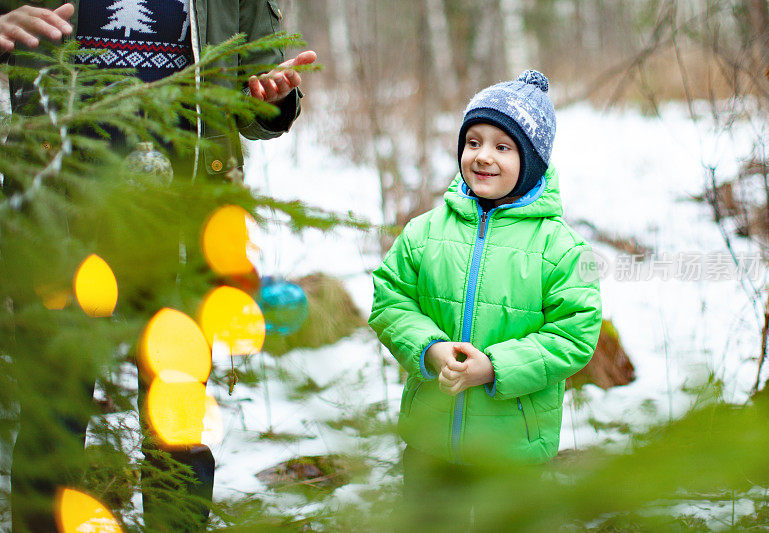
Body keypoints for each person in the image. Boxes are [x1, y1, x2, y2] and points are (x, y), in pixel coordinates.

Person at [0, 1, 315, 531]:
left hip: (182, 221)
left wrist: (272, 95)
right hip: (60, 215)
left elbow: (260, 87)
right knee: (53, 407)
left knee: (178, 412)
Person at [369, 70, 602, 528]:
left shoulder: (562, 248)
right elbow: (389, 298)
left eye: (502, 146)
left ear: (532, 160)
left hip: (513, 449)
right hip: (431, 442)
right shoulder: (425, 232)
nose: (483, 157)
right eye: (472, 142)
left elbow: (575, 334)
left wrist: (494, 366)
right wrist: (430, 349)